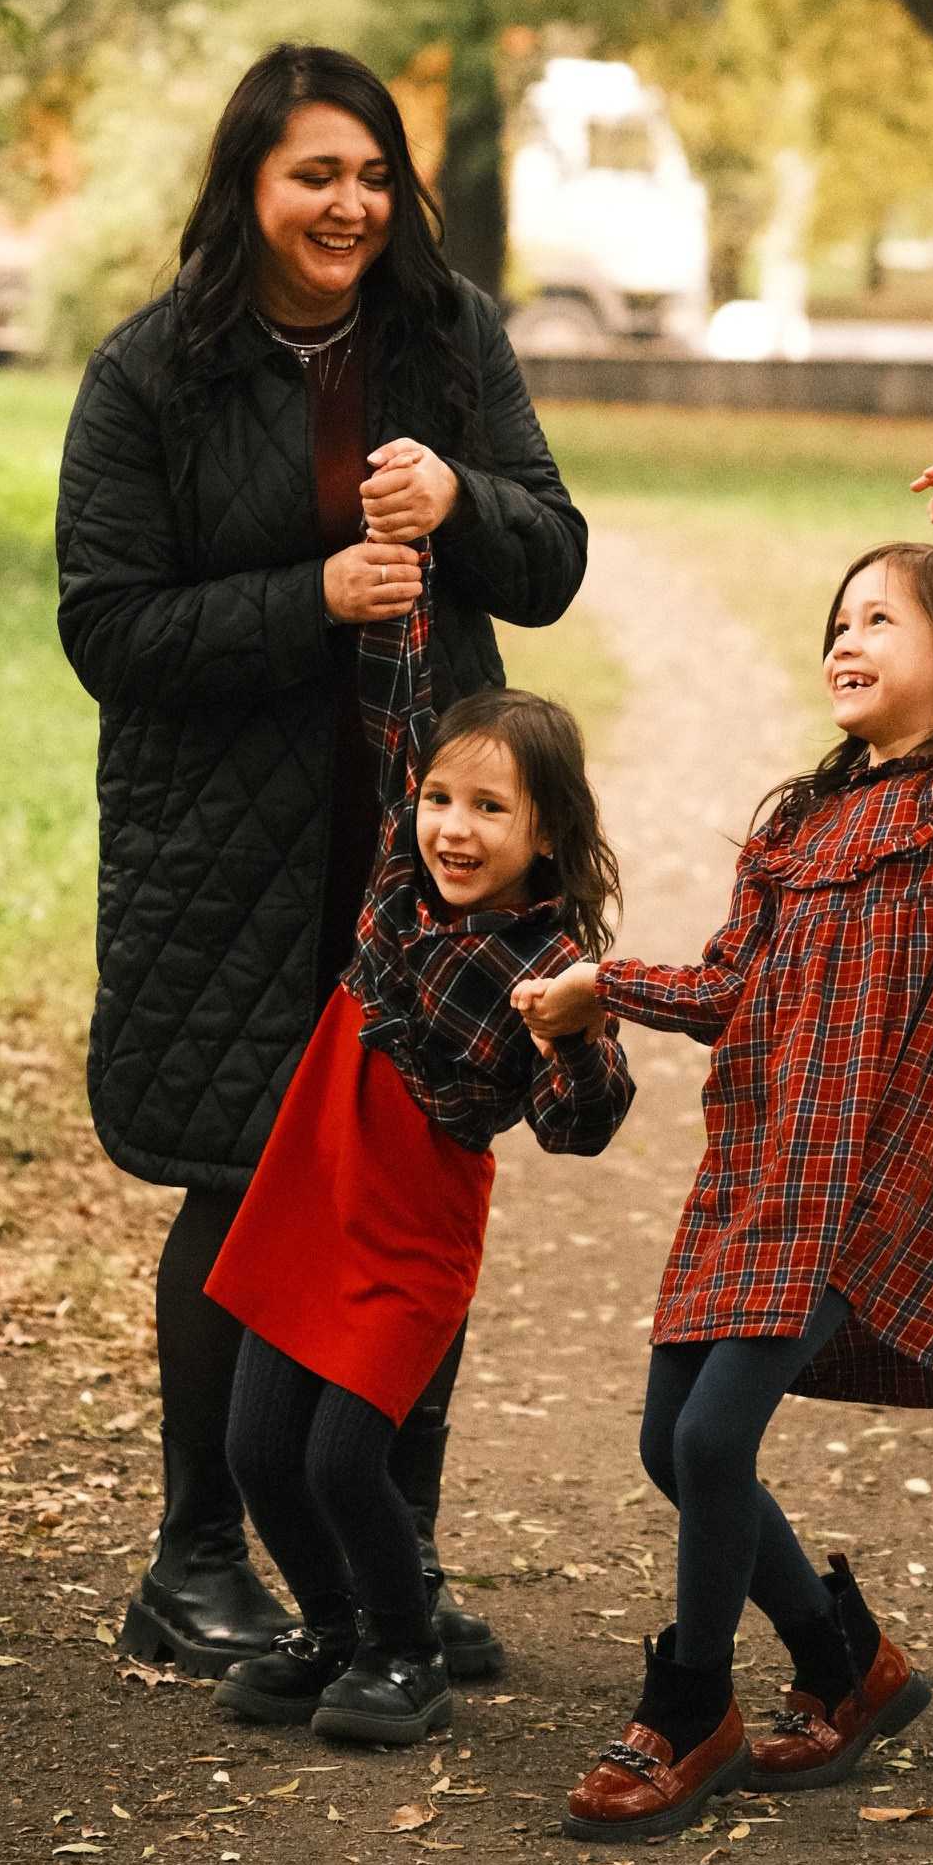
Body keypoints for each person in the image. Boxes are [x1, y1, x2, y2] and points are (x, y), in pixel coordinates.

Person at [56, 42, 589, 1678]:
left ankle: (389, 1567)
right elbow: (107, 626)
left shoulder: (448, 338)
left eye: (371, 175)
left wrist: (468, 499)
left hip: (422, 854)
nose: (349, 205)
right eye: (314, 175)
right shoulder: (154, 373)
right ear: (250, 188)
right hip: (225, 854)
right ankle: (196, 1558)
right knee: (239, 1184)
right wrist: (313, 599)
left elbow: (552, 558)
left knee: (407, 1174)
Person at [515, 460, 933, 1839]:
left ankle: (691, 1708)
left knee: (719, 1434)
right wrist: (600, 988)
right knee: (670, 1446)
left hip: (872, 1184)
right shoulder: (796, 826)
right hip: (760, 1174)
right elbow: (734, 985)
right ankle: (848, 1664)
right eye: (838, 622)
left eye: (881, 621)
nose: (845, 641)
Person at [206, 537, 633, 1742]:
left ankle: (405, 1650)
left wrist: (575, 1034)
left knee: (347, 1462)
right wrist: (406, 559)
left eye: (489, 809)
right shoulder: (398, 878)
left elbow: (582, 1128)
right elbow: (395, 714)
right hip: (306, 1197)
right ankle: (334, 1624)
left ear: (544, 836)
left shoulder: (545, 966)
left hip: (407, 1233)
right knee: (256, 1453)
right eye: (442, 800)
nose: (453, 825)